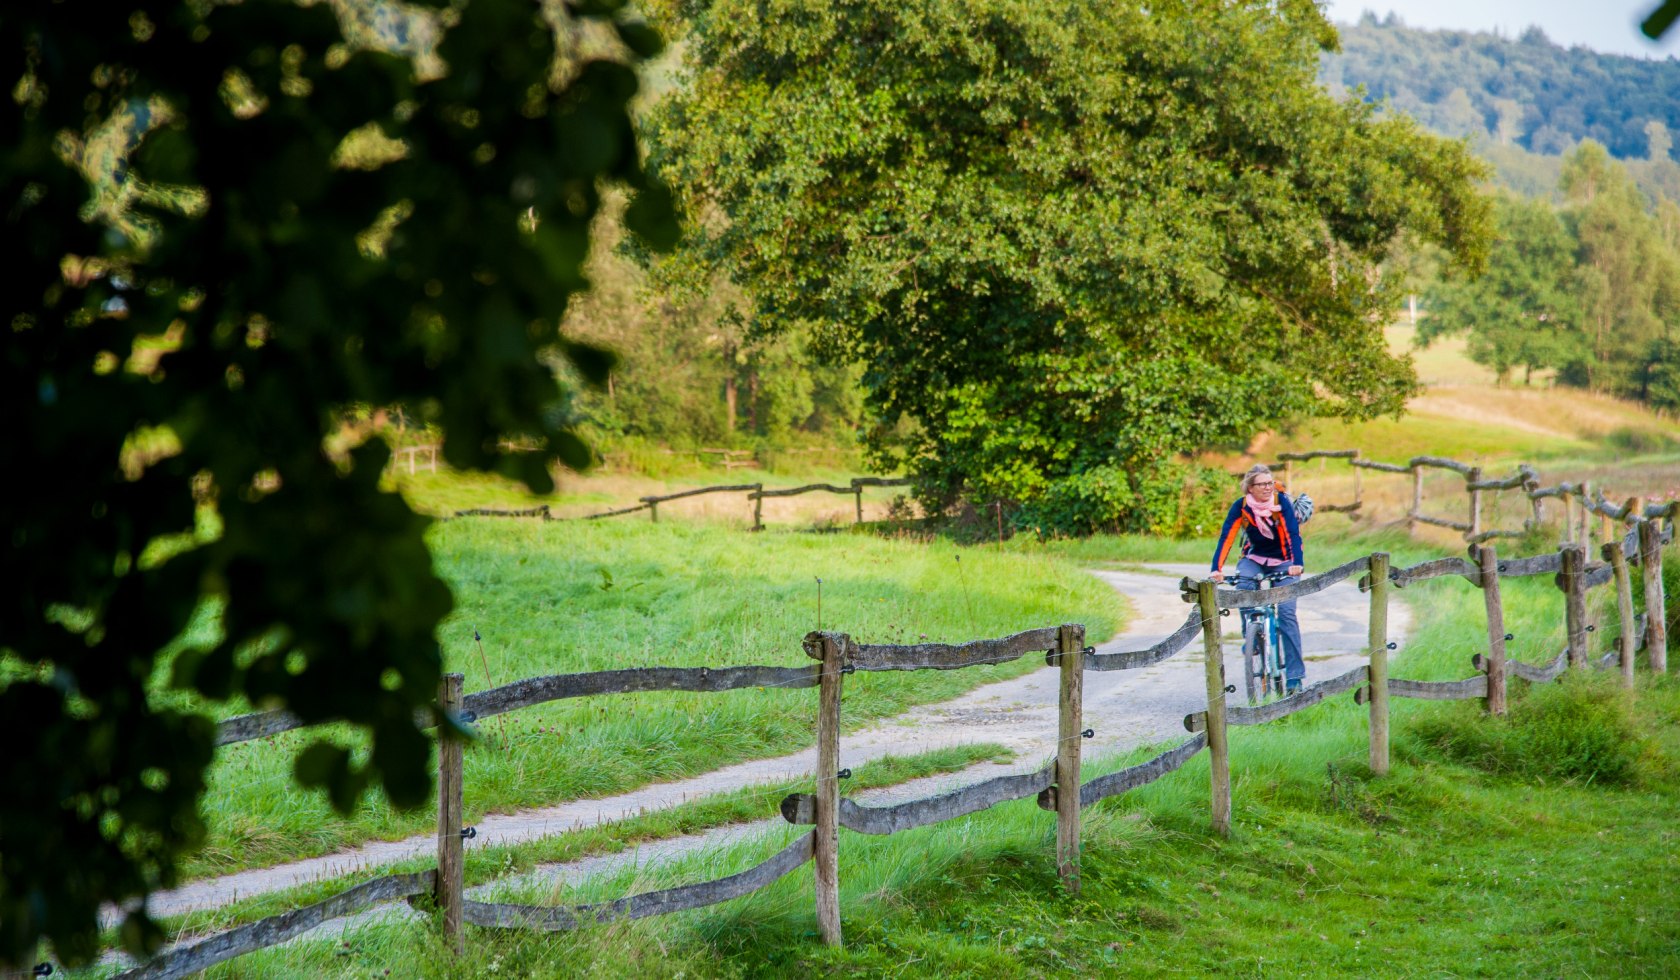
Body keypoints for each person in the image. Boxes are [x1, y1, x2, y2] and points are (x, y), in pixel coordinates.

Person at [1209, 464, 1306, 693]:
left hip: (1285, 560)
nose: (1267, 487)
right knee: (1243, 585)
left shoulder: (1281, 503)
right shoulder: (1241, 507)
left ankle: (1294, 678)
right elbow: (1227, 537)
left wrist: (1297, 564)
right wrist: (1216, 568)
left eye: (1270, 483)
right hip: (1254, 558)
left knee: (1286, 613)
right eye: (1262, 484)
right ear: (1250, 488)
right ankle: (1251, 635)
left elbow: (1293, 533)